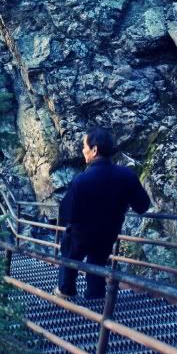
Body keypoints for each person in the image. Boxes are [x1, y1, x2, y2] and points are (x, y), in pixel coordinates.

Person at [54, 128, 150, 301]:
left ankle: (66, 292)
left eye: (84, 146)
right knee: (97, 262)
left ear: (94, 150)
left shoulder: (81, 180)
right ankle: (96, 298)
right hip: (108, 233)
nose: (83, 150)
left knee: (70, 256)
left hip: (81, 233)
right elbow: (142, 206)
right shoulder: (127, 175)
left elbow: (66, 213)